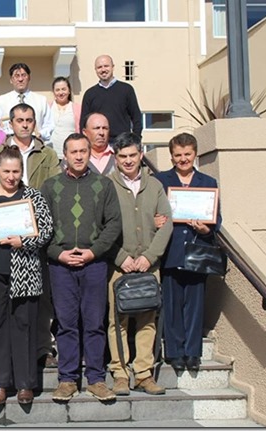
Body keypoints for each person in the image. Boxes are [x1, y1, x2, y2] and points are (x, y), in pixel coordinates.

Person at [0, 146, 53, 406]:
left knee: (24, 327)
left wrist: (23, 240)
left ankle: (26, 384)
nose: (11, 176)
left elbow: (46, 230)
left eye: (16, 171)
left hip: (24, 272)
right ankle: (0, 383)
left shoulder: (33, 197)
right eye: (6, 171)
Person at [41, 133, 121, 402]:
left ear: (90, 153)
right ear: (64, 154)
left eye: (83, 151)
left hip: (94, 264)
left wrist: (92, 252)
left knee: (94, 322)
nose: (78, 156)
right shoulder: (50, 187)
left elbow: (113, 225)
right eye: (73, 151)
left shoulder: (103, 185)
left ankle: (96, 379)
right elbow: (42, 227)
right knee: (66, 323)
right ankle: (67, 379)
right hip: (60, 265)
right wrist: (58, 254)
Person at [0, 103, 60, 368]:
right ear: (11, 123)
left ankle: (42, 348)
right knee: (5, 308)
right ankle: (5, 360)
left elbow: (52, 190)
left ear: (35, 123)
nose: (25, 124)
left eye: (29, 120)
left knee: (37, 300)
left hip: (34, 231)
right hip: (2, 234)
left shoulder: (47, 154)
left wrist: (33, 220)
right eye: (19, 120)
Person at [106, 132, 172, 396]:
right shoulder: (106, 185)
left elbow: (166, 223)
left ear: (141, 154)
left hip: (149, 265)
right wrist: (122, 257)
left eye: (133, 155)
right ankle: (120, 373)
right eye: (123, 156)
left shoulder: (154, 185)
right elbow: (101, 228)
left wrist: (149, 256)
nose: (129, 161)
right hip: (118, 266)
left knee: (147, 319)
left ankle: (144, 373)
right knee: (117, 320)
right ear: (116, 158)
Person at [156, 132, 222, 372]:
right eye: (178, 155)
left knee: (195, 304)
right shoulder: (160, 180)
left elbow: (217, 219)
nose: (183, 159)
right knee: (171, 303)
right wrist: (155, 220)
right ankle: (174, 351)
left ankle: (193, 353)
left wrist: (206, 228)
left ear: (195, 154)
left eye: (187, 154)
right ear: (171, 157)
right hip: (171, 249)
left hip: (197, 250)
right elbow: (152, 212)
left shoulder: (208, 183)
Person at [80, 55, 142, 142]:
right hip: (98, 144)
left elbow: (136, 117)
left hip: (122, 143)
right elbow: (83, 123)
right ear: (95, 70)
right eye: (99, 67)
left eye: (106, 66)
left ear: (112, 67)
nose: (103, 70)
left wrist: (136, 139)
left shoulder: (126, 90)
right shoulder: (90, 94)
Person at [0, 63, 53, 141]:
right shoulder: (1, 101)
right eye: (17, 76)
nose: (20, 79)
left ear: (29, 77)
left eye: (23, 75)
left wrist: (40, 134)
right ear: (11, 80)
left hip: (35, 144)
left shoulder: (41, 100)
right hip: (9, 145)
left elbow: (49, 124)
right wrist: (5, 135)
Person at [49, 76, 80, 160]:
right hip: (51, 154)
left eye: (63, 89)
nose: (61, 92)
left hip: (70, 154)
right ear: (54, 92)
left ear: (69, 90)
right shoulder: (48, 107)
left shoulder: (77, 108)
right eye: (57, 90)